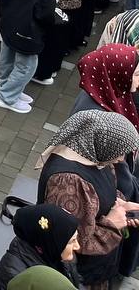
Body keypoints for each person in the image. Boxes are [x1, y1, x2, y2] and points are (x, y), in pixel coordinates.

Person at [36, 110, 139, 288]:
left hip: (98, 268)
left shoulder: (96, 156)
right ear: (103, 143)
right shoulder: (66, 182)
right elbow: (71, 242)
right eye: (121, 152)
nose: (121, 159)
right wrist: (112, 224)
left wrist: (120, 205)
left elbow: (98, 193)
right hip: (80, 277)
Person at [0, 203, 82, 290]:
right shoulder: (12, 278)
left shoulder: (57, 253)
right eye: (72, 241)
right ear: (50, 244)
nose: (77, 246)